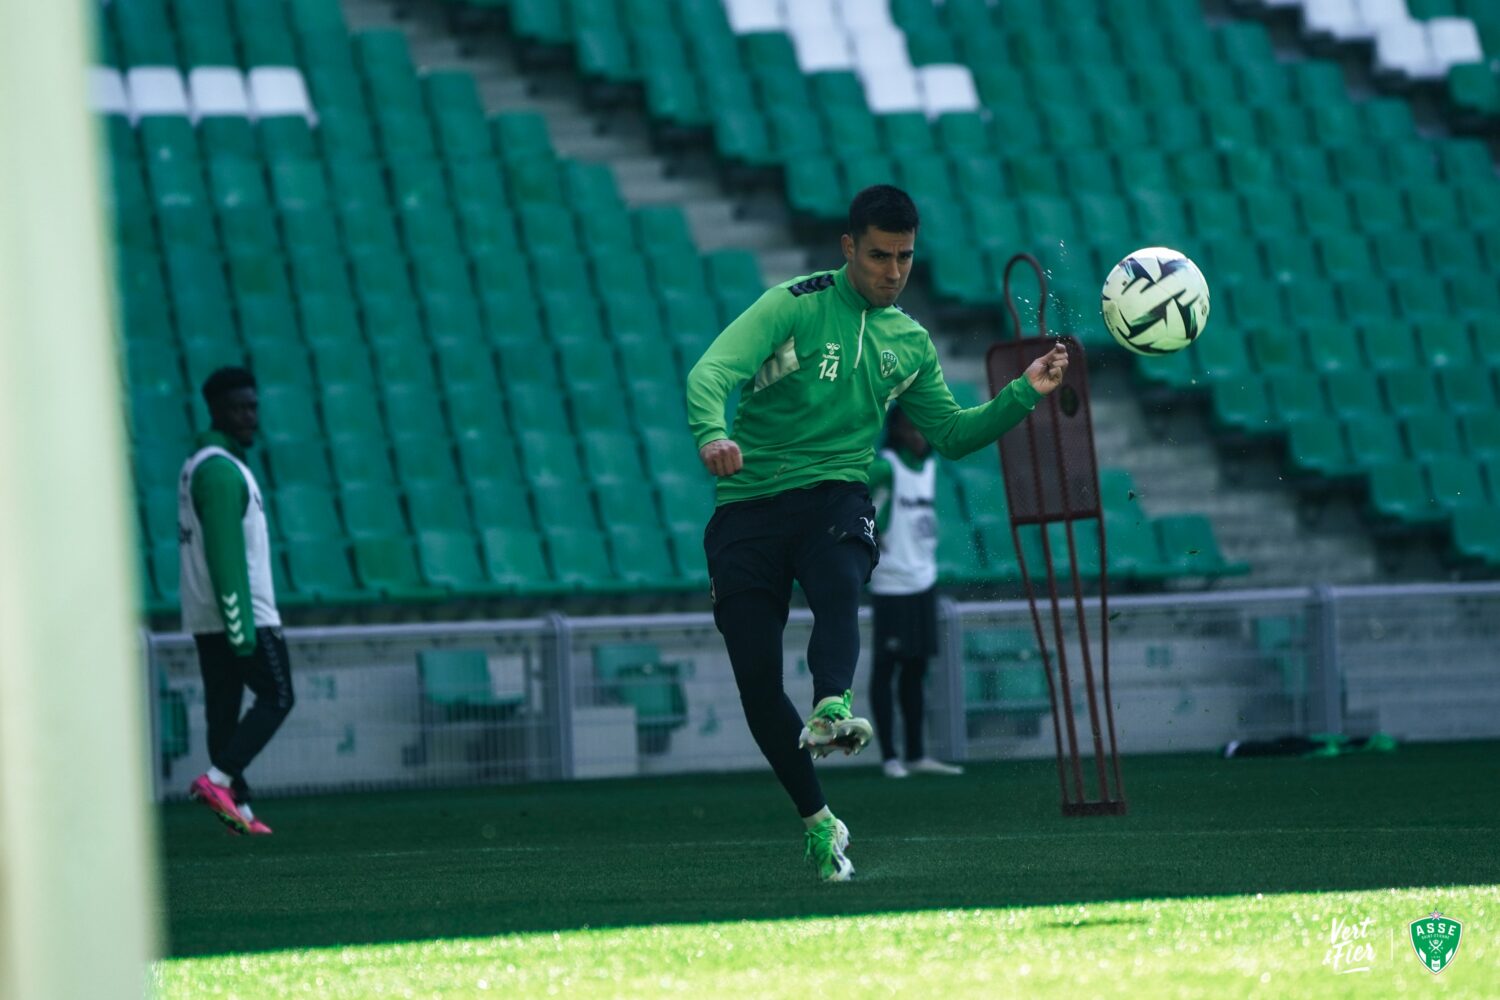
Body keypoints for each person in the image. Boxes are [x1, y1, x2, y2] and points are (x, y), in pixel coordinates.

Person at [686, 185, 1069, 881]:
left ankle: (833, 702)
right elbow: (711, 373)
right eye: (879, 257)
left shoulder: (909, 342)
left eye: (905, 258)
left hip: (834, 491)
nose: (893, 273)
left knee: (840, 575)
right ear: (848, 250)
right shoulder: (793, 306)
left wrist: (1023, 391)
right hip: (747, 505)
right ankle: (818, 819)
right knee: (753, 681)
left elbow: (951, 434)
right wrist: (712, 433)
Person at [179, 367, 295, 835]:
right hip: (244, 614)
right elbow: (226, 555)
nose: (251, 416)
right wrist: (242, 629)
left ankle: (238, 811)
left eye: (254, 406)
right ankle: (219, 779)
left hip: (208, 615)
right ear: (216, 411)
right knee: (278, 695)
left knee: (223, 709)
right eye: (240, 407)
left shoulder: (199, 466)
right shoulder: (221, 471)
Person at [867, 405, 963, 779]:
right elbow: (856, 482)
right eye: (910, 427)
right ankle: (890, 756)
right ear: (897, 430)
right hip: (892, 582)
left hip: (924, 577)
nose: (918, 434)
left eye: (922, 427)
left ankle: (917, 753)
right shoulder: (887, 465)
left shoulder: (930, 467)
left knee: (916, 668)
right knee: (886, 669)